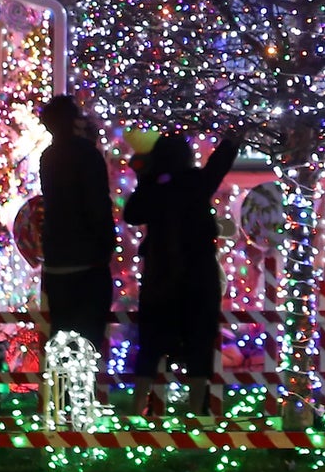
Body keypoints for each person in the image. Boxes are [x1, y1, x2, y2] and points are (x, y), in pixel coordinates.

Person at [123, 130, 242, 418]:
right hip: (199, 277)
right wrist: (233, 138)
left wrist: (145, 178)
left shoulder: (154, 187)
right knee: (200, 345)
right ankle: (197, 413)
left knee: (150, 347)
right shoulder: (197, 183)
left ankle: (137, 411)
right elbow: (219, 164)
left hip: (160, 277)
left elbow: (132, 214)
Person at [37, 95, 117, 355]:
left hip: (57, 260)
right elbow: (96, 203)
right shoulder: (87, 155)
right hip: (87, 262)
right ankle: (83, 392)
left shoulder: (48, 157)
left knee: (62, 336)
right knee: (88, 338)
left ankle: (63, 393)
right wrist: (106, 243)